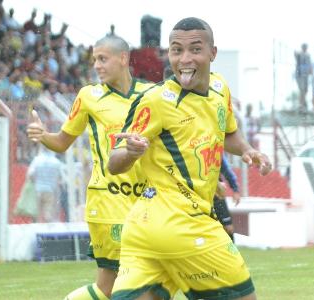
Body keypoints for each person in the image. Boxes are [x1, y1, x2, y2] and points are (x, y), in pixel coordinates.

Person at [108, 17, 272, 299]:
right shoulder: (157, 100)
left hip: (142, 233)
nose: (185, 59)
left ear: (213, 53)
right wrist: (130, 153)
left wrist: (247, 150)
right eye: (176, 50)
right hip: (186, 224)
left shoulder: (220, 89)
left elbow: (227, 132)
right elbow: (114, 162)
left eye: (195, 50)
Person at [27, 35, 153, 299]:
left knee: (151, 281)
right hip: (109, 200)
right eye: (95, 59)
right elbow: (62, 142)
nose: (97, 65)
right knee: (113, 285)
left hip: (146, 200)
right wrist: (43, 135)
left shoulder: (151, 94)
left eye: (103, 58)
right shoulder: (89, 96)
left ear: (123, 59)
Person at [27, 147, 65, 223]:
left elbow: (30, 174)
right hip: (50, 190)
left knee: (37, 213)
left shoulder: (37, 160)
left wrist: (35, 181)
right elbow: (61, 178)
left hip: (38, 189)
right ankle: (48, 229)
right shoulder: (56, 162)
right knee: (48, 213)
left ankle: (37, 227)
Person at [213, 156, 242, 242]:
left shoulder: (216, 152)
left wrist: (235, 189)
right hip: (199, 196)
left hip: (217, 197)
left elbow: (226, 170)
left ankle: (232, 252)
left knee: (228, 228)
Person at [295, 43, 311, 111]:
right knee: (302, 89)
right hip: (300, 74)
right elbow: (295, 55)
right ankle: (301, 104)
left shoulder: (308, 55)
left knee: (305, 90)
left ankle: (303, 103)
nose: (305, 48)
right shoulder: (299, 54)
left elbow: (309, 64)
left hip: (306, 75)